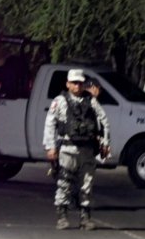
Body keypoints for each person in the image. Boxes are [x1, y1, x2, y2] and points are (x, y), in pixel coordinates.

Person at [43, 69, 111, 230]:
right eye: (74, 83)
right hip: (67, 149)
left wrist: (105, 144)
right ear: (68, 84)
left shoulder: (91, 101)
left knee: (86, 185)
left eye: (80, 83)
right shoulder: (59, 101)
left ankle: (85, 218)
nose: (77, 86)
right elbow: (50, 124)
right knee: (64, 183)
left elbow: (104, 121)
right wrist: (50, 147)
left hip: (87, 150)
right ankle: (62, 217)